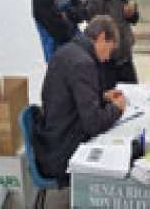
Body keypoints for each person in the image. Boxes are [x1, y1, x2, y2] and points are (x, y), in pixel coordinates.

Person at [33, 15, 126, 208]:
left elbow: (69, 100)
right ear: (100, 37)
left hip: (52, 138)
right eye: (110, 48)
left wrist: (102, 97)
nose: (108, 57)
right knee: (123, 156)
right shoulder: (84, 63)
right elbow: (93, 123)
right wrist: (117, 109)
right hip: (63, 149)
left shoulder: (68, 50)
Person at [87, 0, 139, 90]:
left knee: (133, 93)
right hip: (107, 59)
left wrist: (133, 13)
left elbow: (135, 16)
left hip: (125, 54)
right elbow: (92, 16)